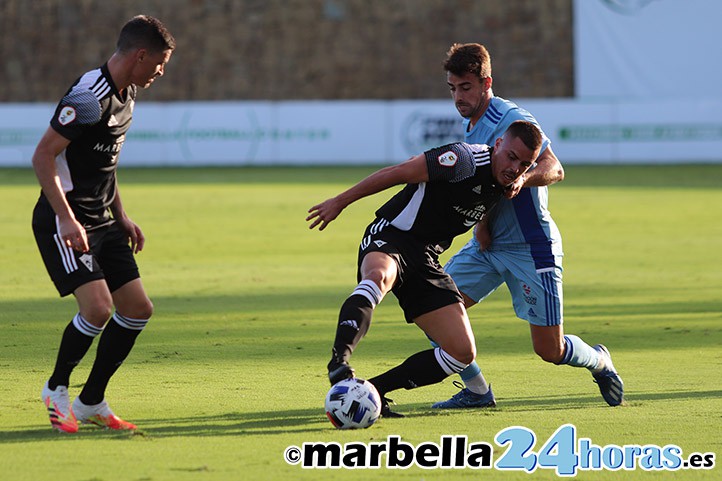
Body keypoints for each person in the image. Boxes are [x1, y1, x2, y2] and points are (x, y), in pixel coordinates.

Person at [431, 43, 623, 409]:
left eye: (466, 87)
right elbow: (481, 179)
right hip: (487, 247)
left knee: (549, 349)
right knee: (436, 312)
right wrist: (482, 225)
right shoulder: (470, 124)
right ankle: (476, 390)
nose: (458, 96)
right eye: (452, 88)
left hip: (531, 247)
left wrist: (525, 178)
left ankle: (599, 360)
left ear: (486, 82)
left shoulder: (512, 119)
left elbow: (555, 168)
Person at [308, 121, 543, 417]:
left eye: (524, 164)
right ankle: (339, 363)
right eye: (511, 157)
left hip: (426, 259)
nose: (515, 168)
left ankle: (373, 392)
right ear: (497, 145)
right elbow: (399, 172)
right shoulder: (464, 160)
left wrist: (484, 226)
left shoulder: (508, 181)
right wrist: (340, 202)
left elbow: (493, 191)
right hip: (393, 234)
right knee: (378, 277)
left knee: (461, 352)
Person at [32, 15, 175, 433]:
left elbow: (105, 168)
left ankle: (91, 401)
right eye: (160, 63)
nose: (161, 72)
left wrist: (123, 215)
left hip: (104, 219)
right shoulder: (89, 95)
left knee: (137, 309)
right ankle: (55, 388)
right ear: (141, 54)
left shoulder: (127, 95)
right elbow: (43, 156)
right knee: (97, 308)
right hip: (65, 220)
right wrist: (66, 218)